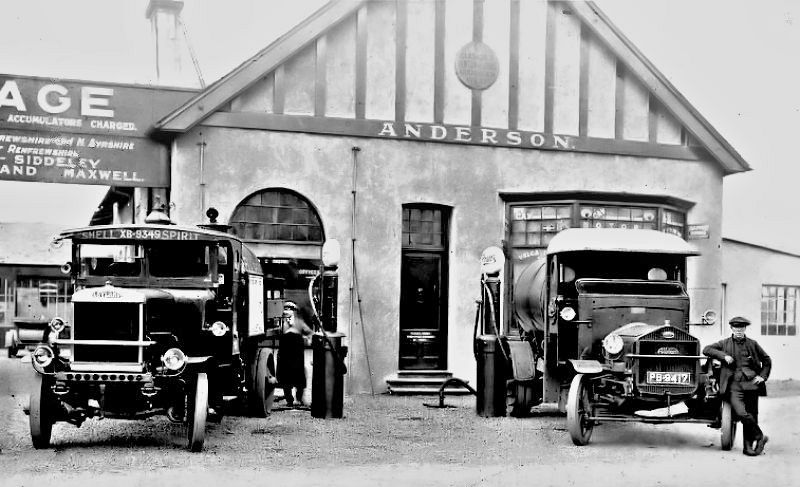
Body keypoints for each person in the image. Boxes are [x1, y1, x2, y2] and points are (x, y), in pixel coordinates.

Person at [703, 316, 772, 456]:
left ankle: (747, 447)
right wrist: (723, 356)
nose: (739, 331)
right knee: (741, 413)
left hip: (751, 384)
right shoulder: (724, 343)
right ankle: (760, 436)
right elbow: (706, 349)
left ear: (745, 329)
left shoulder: (753, 344)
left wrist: (762, 377)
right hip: (734, 385)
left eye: (741, 328)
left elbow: (767, 360)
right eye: (736, 328)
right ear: (732, 329)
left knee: (752, 414)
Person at [277, 300, 314, 408]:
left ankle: (299, 399)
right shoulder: (279, 322)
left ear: (294, 311)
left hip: (297, 355)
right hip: (285, 354)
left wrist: (308, 338)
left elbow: (310, 333)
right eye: (286, 308)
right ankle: (289, 400)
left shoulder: (299, 322)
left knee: (299, 378)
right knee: (285, 379)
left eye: (290, 309)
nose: (287, 311)